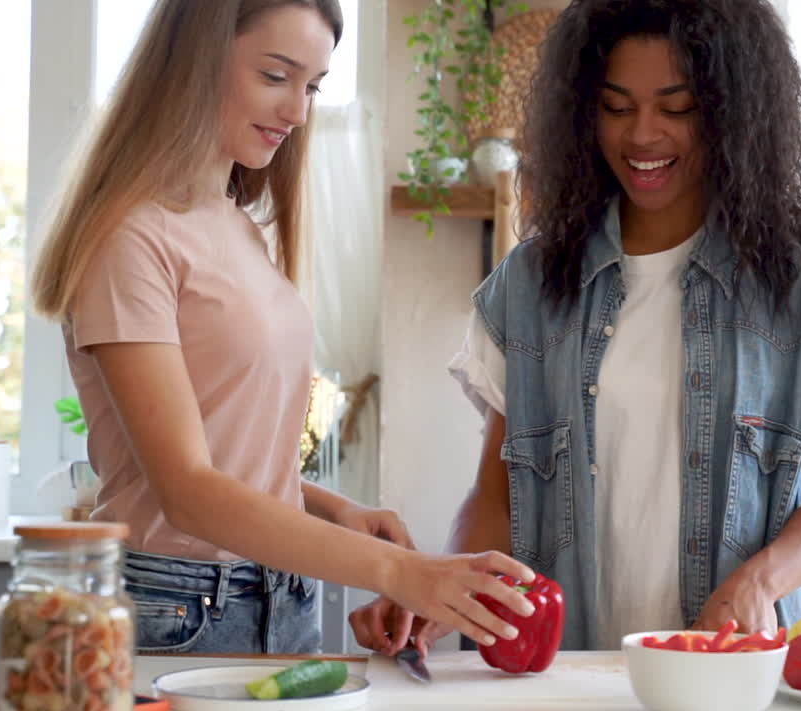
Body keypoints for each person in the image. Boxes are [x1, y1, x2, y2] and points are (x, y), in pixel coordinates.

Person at [353, 0, 801, 654]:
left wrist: (761, 582)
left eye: (676, 107)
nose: (641, 136)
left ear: (731, 111)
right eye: (616, 106)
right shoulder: (530, 288)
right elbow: (495, 499)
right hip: (564, 684)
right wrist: (439, 587)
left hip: (732, 681)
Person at [29, 0, 536, 655]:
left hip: (279, 598)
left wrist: (333, 510)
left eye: (313, 86)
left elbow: (224, 451)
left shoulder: (236, 225)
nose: (298, 112)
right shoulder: (129, 237)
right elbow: (186, 491)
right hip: (177, 609)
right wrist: (403, 573)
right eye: (276, 76)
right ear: (193, 62)